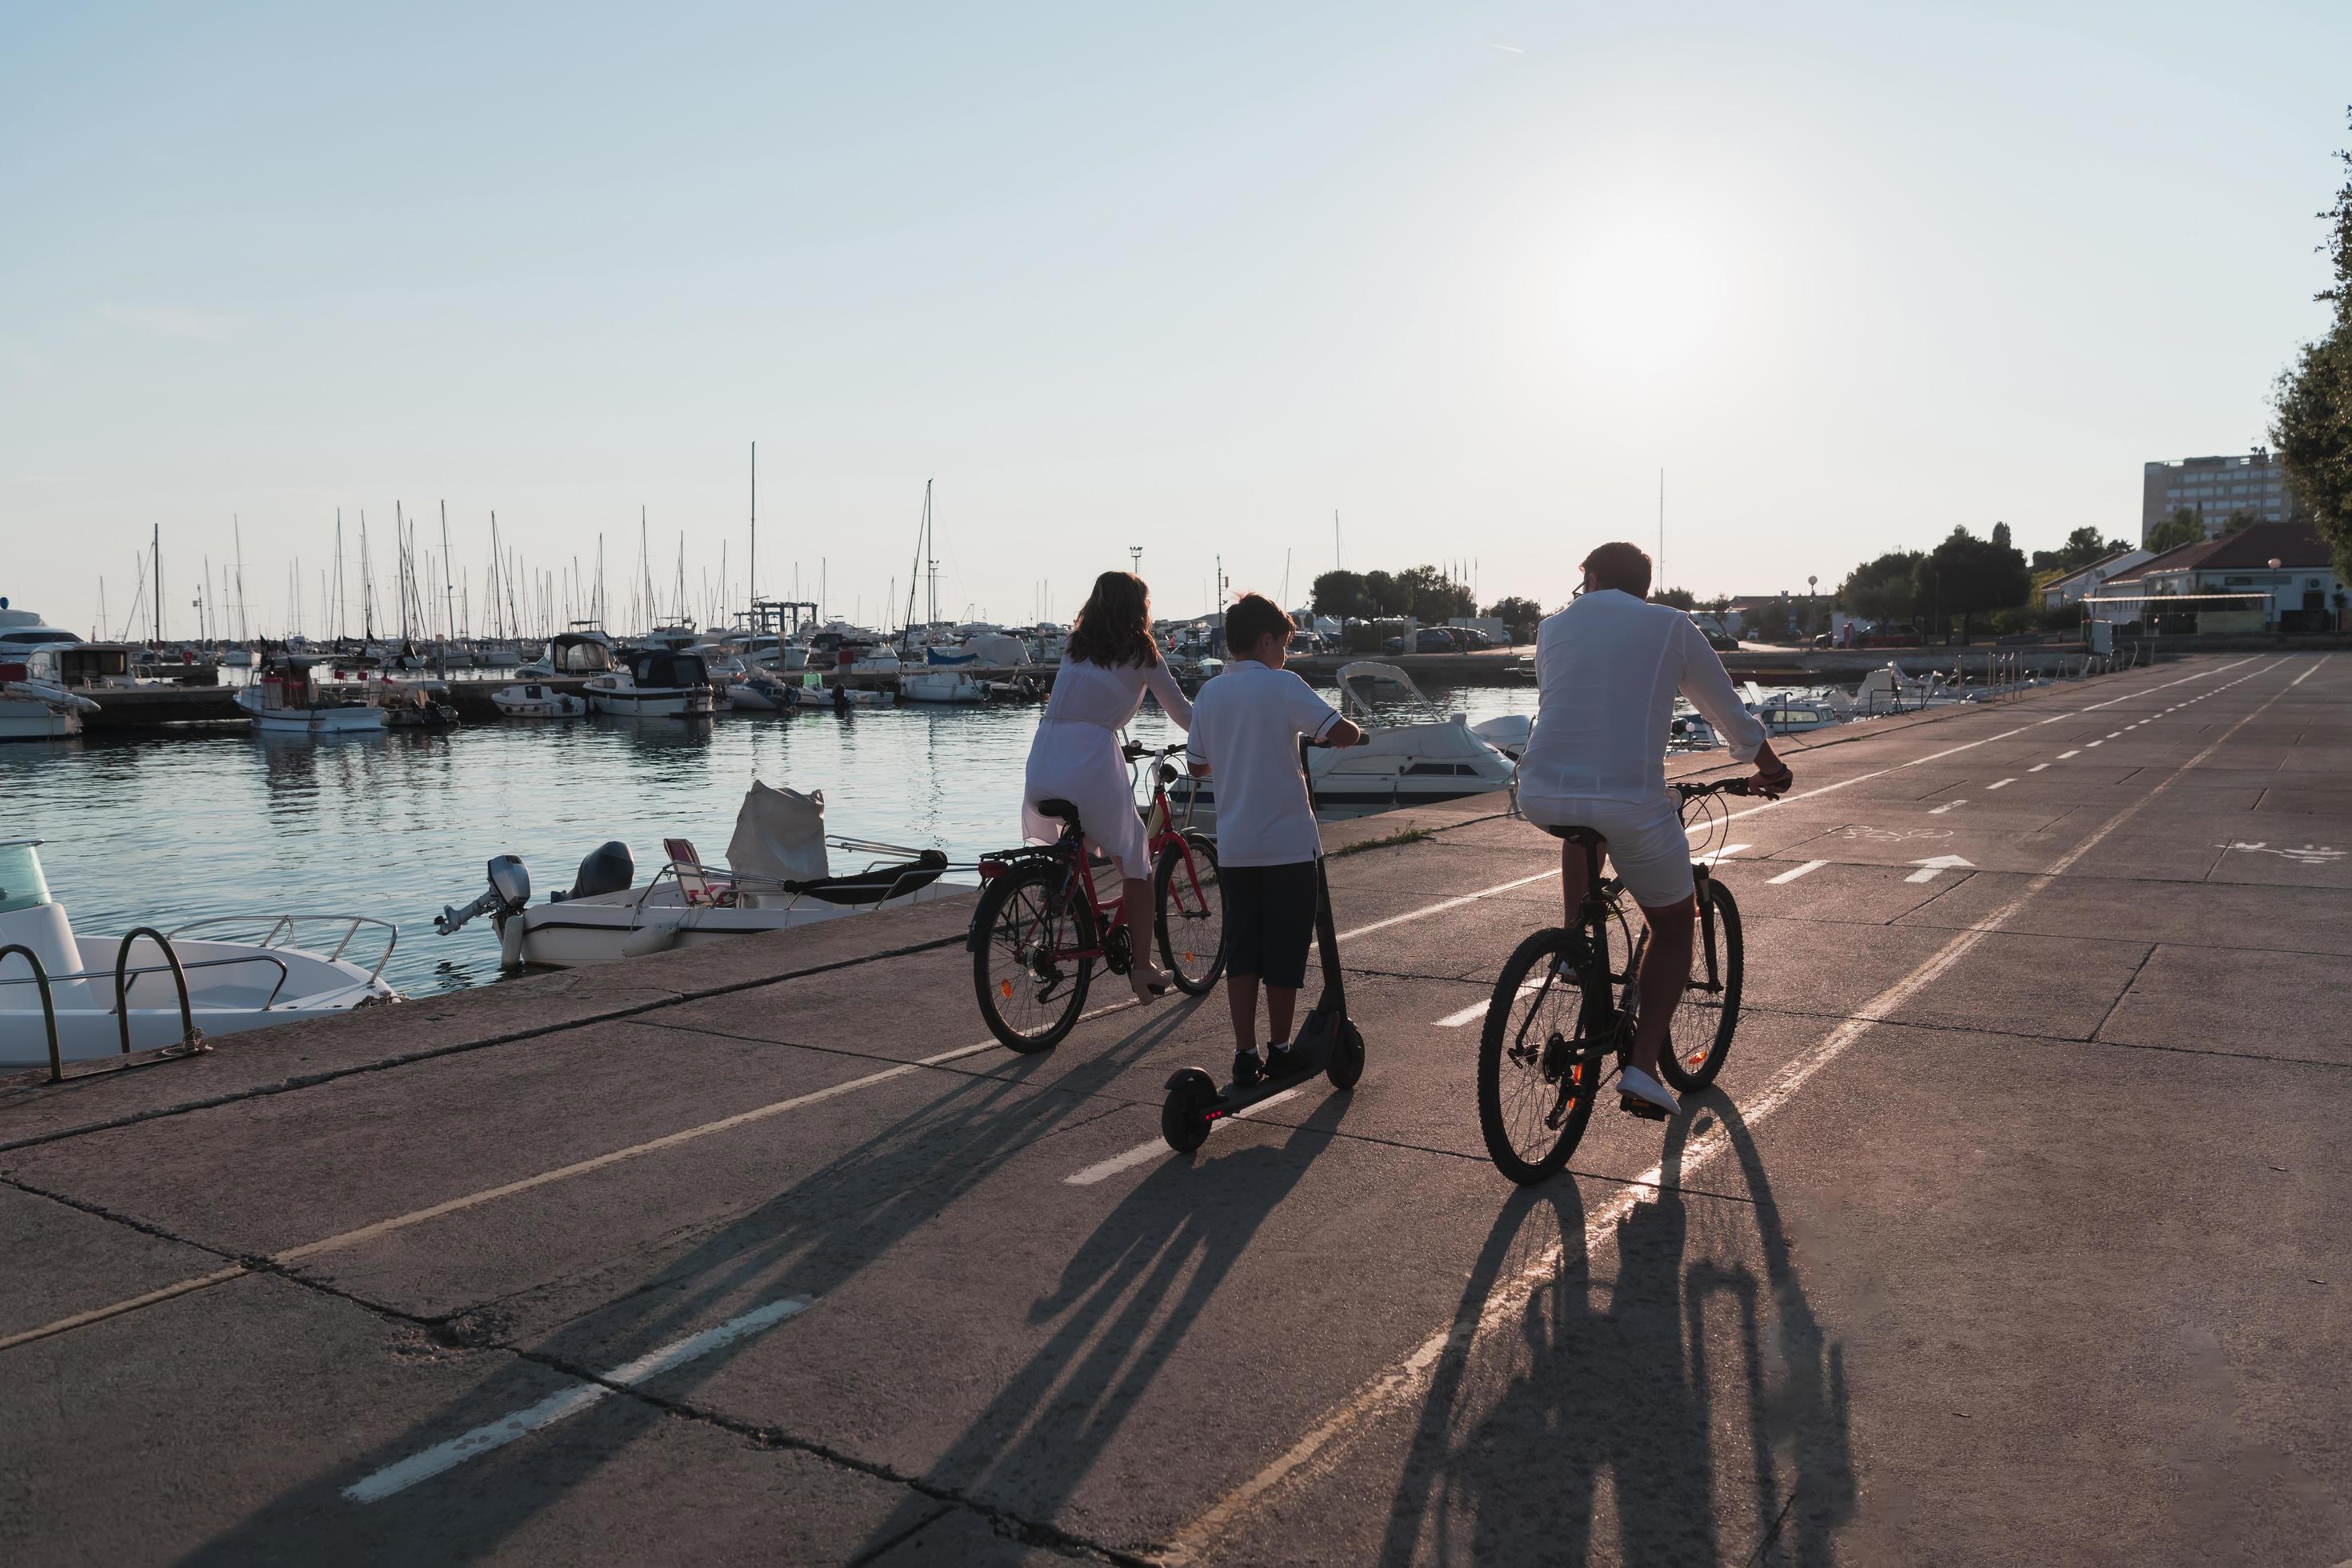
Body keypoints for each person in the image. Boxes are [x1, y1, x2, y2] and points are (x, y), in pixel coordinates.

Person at [1516, 542, 1792, 1119]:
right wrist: (1767, 767)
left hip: (1540, 791)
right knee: (1672, 924)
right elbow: (1725, 711)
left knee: (1581, 828)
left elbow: (1571, 706)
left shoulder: (1552, 627)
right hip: (1627, 799)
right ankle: (1642, 1065)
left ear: (1590, 578)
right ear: (1643, 584)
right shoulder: (1670, 625)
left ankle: (1572, 948)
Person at [1185, 594, 1363, 1086]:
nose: (1285, 655)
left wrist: (1234, 749)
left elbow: (1197, 764)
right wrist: (1347, 731)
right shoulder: (1283, 685)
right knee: (1284, 952)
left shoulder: (1210, 694)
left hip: (1237, 848)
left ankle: (1244, 1054)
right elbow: (1340, 732)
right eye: (1283, 645)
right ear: (1265, 641)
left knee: (1243, 952)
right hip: (1287, 846)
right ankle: (1280, 1049)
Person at [1023, 571, 1194, 1003]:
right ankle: (1142, 969)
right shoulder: (1142, 651)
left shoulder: (1074, 646)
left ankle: (1062, 897)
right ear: (1140, 608)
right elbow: (1183, 714)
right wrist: (1222, 735)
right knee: (1137, 862)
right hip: (1090, 758)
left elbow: (1085, 703)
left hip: (1045, 753)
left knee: (1071, 839)